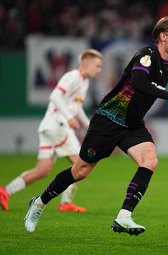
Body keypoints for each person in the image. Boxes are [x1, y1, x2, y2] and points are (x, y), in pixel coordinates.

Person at [23, 16, 168, 235]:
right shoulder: (146, 55)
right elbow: (139, 82)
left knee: (149, 161)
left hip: (132, 123)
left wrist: (118, 92)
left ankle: (124, 217)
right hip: (109, 119)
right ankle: (39, 203)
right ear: (163, 36)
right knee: (80, 171)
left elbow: (132, 81)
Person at [0, 49, 102, 212]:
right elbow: (55, 95)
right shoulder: (73, 77)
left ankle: (5, 191)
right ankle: (66, 202)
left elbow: (77, 107)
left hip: (50, 126)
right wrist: (68, 117)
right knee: (81, 164)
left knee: (43, 170)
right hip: (58, 125)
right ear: (87, 64)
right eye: (97, 66)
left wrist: (88, 125)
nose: (99, 69)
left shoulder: (84, 81)